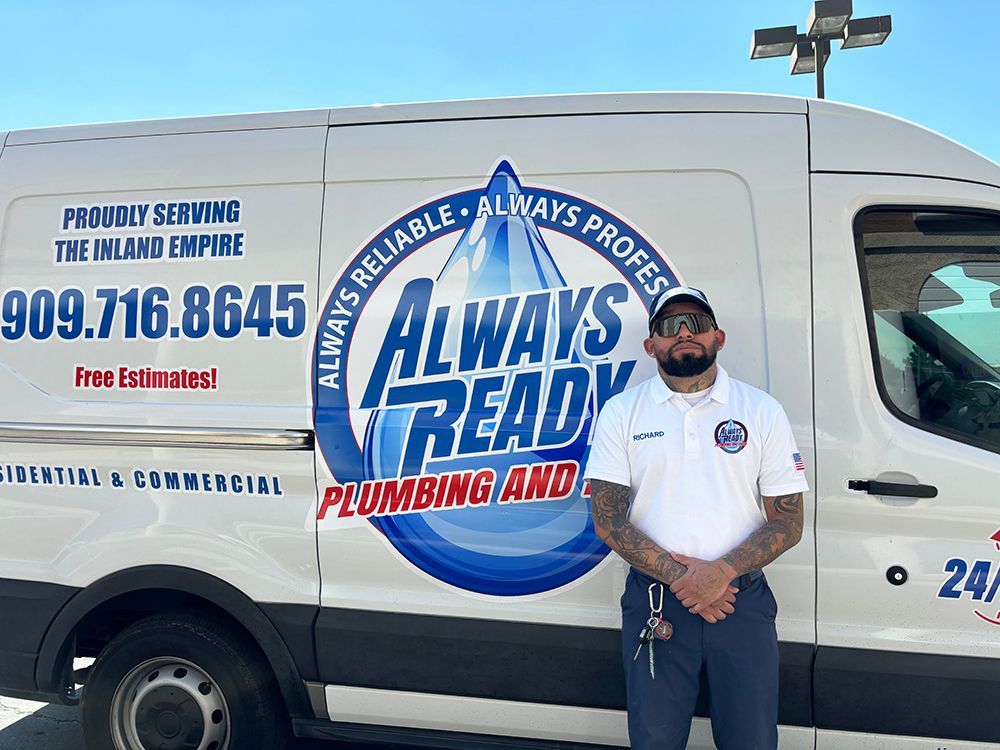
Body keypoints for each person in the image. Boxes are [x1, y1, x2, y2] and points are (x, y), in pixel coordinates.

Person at [584, 285, 809, 750]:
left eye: (697, 323)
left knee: (752, 741)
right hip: (657, 603)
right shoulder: (621, 413)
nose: (684, 332)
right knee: (655, 741)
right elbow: (608, 520)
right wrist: (688, 581)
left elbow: (788, 521)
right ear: (652, 346)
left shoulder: (761, 411)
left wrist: (721, 573)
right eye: (669, 326)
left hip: (740, 602)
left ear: (718, 337)